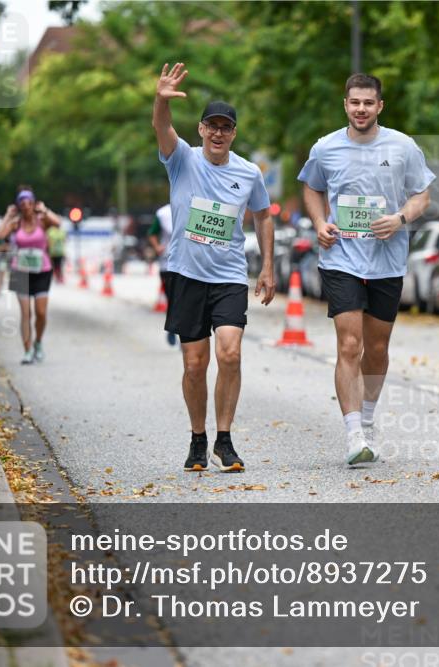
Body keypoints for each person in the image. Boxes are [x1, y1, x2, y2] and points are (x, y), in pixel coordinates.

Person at [298, 73, 434, 466]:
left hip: (387, 260)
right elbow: (310, 186)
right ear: (345, 105)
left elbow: (422, 194)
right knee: (349, 345)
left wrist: (401, 218)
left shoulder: (403, 146)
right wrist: (320, 223)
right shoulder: (325, 148)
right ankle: (354, 432)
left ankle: (369, 419)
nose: (361, 109)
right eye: (354, 102)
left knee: (376, 349)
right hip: (341, 257)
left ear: (380, 106)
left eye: (368, 103)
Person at [152, 62, 276, 473]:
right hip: (187, 274)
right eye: (212, 126)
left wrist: (267, 267)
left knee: (231, 353)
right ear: (202, 129)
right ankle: (197, 439)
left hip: (227, 277)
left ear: (234, 133)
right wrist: (161, 100)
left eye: (227, 127)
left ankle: (224, 439)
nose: (219, 133)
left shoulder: (247, 172)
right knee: (193, 365)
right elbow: (162, 128)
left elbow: (263, 214)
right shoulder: (182, 160)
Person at [0, 190, 62, 364]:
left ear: (34, 204)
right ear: (19, 206)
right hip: (20, 271)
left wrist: (45, 209)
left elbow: (59, 223)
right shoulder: (16, 223)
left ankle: (38, 342)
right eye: (22, 204)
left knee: (41, 313)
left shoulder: (42, 221)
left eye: (29, 203)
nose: (26, 207)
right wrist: (7, 215)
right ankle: (27, 350)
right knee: (26, 314)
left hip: (42, 270)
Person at [148, 203, 177, 346]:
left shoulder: (194, 207)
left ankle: (185, 333)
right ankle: (173, 329)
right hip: (167, 263)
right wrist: (157, 247)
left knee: (185, 299)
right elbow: (152, 233)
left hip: (189, 263)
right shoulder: (163, 213)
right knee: (172, 299)